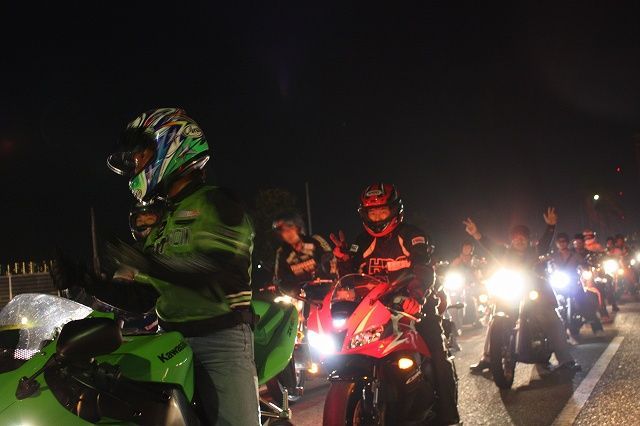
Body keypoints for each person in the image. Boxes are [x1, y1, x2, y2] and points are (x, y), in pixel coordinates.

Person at [56, 108, 259, 425]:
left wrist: (146, 262)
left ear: (172, 144)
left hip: (219, 340)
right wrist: (88, 281)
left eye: (142, 154)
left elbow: (215, 275)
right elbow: (144, 298)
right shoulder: (164, 220)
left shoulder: (218, 202)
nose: (136, 164)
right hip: (170, 342)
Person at [330, 183, 460, 426]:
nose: (378, 217)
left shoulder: (413, 236)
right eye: (372, 212)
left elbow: (423, 269)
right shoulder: (361, 242)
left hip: (415, 309)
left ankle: (449, 416)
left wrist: (416, 297)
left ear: (394, 210)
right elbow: (350, 280)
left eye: (382, 211)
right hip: (374, 310)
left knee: (438, 356)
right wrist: (343, 259)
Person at [463, 208, 581, 373]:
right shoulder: (504, 253)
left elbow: (545, 242)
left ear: (528, 240)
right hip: (512, 291)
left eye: (523, 237)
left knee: (552, 319)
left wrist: (551, 226)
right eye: (516, 237)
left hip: (535, 293)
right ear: (511, 240)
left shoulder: (535, 251)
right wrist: (476, 233)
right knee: (494, 318)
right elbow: (488, 245)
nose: (519, 240)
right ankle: (488, 358)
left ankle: (566, 360)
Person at [272, 211, 336, 298]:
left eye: (290, 227)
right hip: (302, 297)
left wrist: (331, 277)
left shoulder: (315, 240)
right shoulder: (282, 252)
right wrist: (291, 291)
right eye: (282, 230)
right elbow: (280, 278)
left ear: (298, 227)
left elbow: (331, 258)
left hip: (327, 291)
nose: (288, 232)